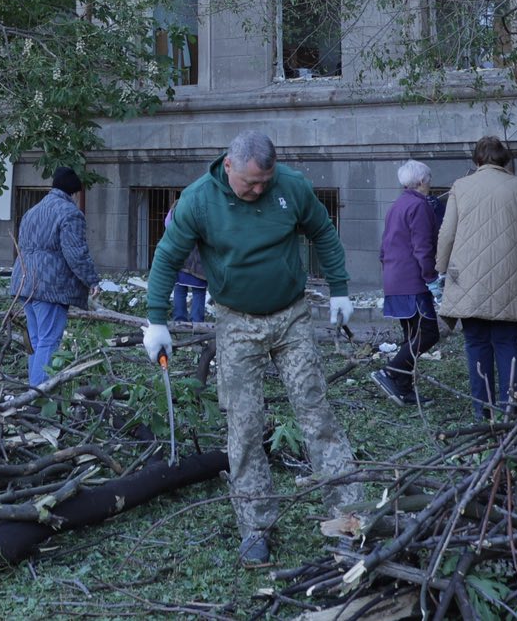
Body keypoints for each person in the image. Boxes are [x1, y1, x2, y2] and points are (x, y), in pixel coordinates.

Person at [143, 131, 359, 569]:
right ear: (228, 166)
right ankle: (256, 527)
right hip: (237, 323)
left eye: (265, 181)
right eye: (250, 182)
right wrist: (157, 320)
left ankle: (350, 520)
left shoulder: (292, 187)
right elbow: (167, 257)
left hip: (292, 317)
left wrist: (339, 288)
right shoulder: (198, 201)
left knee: (317, 416)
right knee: (243, 426)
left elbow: (323, 232)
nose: (258, 190)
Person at [435, 136, 517, 419]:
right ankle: (512, 410)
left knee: (476, 344)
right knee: (508, 343)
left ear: (477, 160)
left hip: (468, 282)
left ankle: (483, 413)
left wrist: (441, 269)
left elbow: (447, 233)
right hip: (512, 278)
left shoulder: (461, 186)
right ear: (505, 159)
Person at [9, 167, 99, 386]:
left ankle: (32, 393)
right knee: (48, 341)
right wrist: (92, 280)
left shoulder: (32, 211)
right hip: (50, 286)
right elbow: (76, 253)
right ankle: (39, 395)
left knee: (36, 340)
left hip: (25, 281)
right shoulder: (70, 213)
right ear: (75, 192)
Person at [372, 160, 445, 406]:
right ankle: (390, 372)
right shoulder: (419, 205)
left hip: (395, 279)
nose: (430, 184)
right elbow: (423, 247)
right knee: (428, 333)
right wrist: (432, 279)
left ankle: (403, 388)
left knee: (412, 336)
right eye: (429, 180)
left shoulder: (397, 205)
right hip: (413, 281)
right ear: (422, 181)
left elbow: (384, 247)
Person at [165, 188, 209, 323]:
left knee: (180, 289)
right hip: (198, 259)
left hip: (180, 257)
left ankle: (179, 320)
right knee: (198, 292)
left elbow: (167, 226)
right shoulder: (201, 210)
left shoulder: (174, 209)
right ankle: (197, 323)